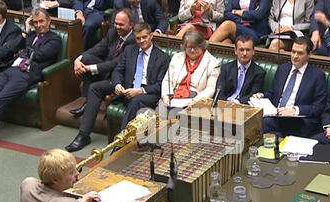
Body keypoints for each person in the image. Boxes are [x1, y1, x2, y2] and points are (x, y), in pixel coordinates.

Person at [0, 8, 61, 150]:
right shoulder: (30, 35)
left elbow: (40, 55)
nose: (39, 25)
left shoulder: (54, 39)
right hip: (10, 70)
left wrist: (23, 51)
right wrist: (26, 31)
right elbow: (13, 47)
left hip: (26, 75)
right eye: (35, 22)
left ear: (49, 21)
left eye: (42, 21)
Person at [65, 23, 169, 152]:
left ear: (151, 36)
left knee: (136, 100)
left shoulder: (163, 57)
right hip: (126, 90)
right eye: (138, 38)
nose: (141, 41)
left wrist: (139, 91)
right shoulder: (130, 50)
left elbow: (160, 85)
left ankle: (121, 142)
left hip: (147, 94)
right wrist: (117, 84)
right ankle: (83, 135)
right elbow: (118, 71)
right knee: (94, 87)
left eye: (144, 37)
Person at [251, 36, 327, 138]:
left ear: (309, 55)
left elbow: (318, 107)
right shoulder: (282, 69)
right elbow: (273, 93)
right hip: (276, 117)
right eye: (293, 52)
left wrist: (295, 110)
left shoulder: (317, 76)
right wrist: (262, 95)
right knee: (257, 124)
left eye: (300, 53)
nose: (295, 56)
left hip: (298, 121)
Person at [69, 8, 135, 117]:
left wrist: (89, 68)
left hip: (119, 77)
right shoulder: (112, 32)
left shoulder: (133, 40)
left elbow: (115, 64)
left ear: (131, 25)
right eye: (116, 23)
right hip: (106, 70)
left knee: (91, 68)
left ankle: (89, 104)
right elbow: (97, 49)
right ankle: (87, 101)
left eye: (121, 24)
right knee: (86, 58)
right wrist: (78, 59)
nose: (117, 27)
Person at [160, 29, 220, 114]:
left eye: (195, 47)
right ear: (184, 47)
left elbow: (211, 88)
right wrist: (166, 95)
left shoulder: (213, 63)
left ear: (202, 46)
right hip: (174, 95)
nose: (192, 50)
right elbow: (167, 80)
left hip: (195, 98)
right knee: (159, 114)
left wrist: (196, 101)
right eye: (189, 47)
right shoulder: (177, 58)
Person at [216, 34, 265, 104]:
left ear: (253, 51)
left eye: (248, 50)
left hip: (244, 107)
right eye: (241, 50)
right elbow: (219, 92)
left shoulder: (259, 72)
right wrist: (225, 104)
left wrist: (236, 103)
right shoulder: (226, 68)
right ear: (235, 51)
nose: (244, 53)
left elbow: (253, 96)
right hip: (224, 105)